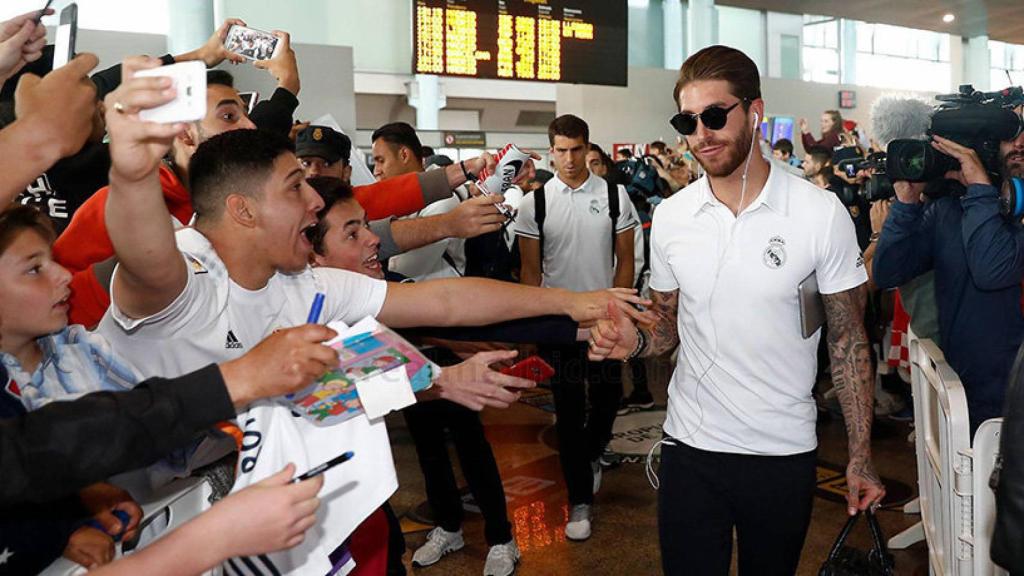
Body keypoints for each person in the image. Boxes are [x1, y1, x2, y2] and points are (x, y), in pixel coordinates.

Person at [96, 56, 649, 575]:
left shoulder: (303, 283)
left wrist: (578, 303)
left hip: (243, 526)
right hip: (132, 530)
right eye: (296, 188)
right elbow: (144, 252)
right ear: (242, 210)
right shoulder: (186, 275)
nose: (315, 203)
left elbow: (446, 302)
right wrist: (130, 164)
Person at [588, 45, 884, 576]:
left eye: (715, 115)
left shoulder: (819, 213)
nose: (701, 132)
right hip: (690, 448)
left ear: (755, 112)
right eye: (688, 120)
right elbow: (667, 327)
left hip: (782, 452)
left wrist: (859, 453)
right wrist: (631, 342)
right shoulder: (675, 217)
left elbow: (847, 339)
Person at [307, 177, 533, 576]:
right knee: (429, 451)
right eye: (354, 232)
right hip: (329, 521)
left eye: (367, 226)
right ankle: (448, 526)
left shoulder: (365, 282)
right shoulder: (305, 310)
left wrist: (575, 314)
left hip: (433, 364)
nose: (373, 239)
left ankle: (501, 536)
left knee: (470, 446)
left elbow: (444, 305)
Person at [2, 18, 250, 234]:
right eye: (91, 100)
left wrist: (200, 56)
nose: (101, 105)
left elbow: (106, 82)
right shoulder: (105, 168)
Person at [515, 114, 640, 542]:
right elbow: (530, 272)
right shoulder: (535, 204)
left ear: (588, 148)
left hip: (605, 319)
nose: (568, 159)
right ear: (550, 151)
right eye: (560, 150)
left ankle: (591, 455)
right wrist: (530, 328)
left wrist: (617, 311)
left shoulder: (613, 194)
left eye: (576, 149)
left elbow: (626, 258)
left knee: (609, 397)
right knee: (568, 410)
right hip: (559, 323)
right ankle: (580, 502)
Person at [874, 125, 1024, 433]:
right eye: (1011, 133)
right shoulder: (948, 210)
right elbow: (888, 273)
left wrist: (980, 190)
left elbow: (990, 270)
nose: (1019, 144)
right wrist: (905, 205)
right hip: (974, 399)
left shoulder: (979, 202)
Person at [296, 124, 511, 266]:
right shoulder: (282, 215)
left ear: (346, 171)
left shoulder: (361, 201)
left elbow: (395, 195)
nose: (314, 172)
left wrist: (466, 170)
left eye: (325, 163)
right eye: (306, 163)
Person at [371, 122, 466, 280]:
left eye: (381, 160)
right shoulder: (397, 198)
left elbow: (403, 267)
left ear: (404, 155)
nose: (376, 171)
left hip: (439, 296)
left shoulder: (442, 200)